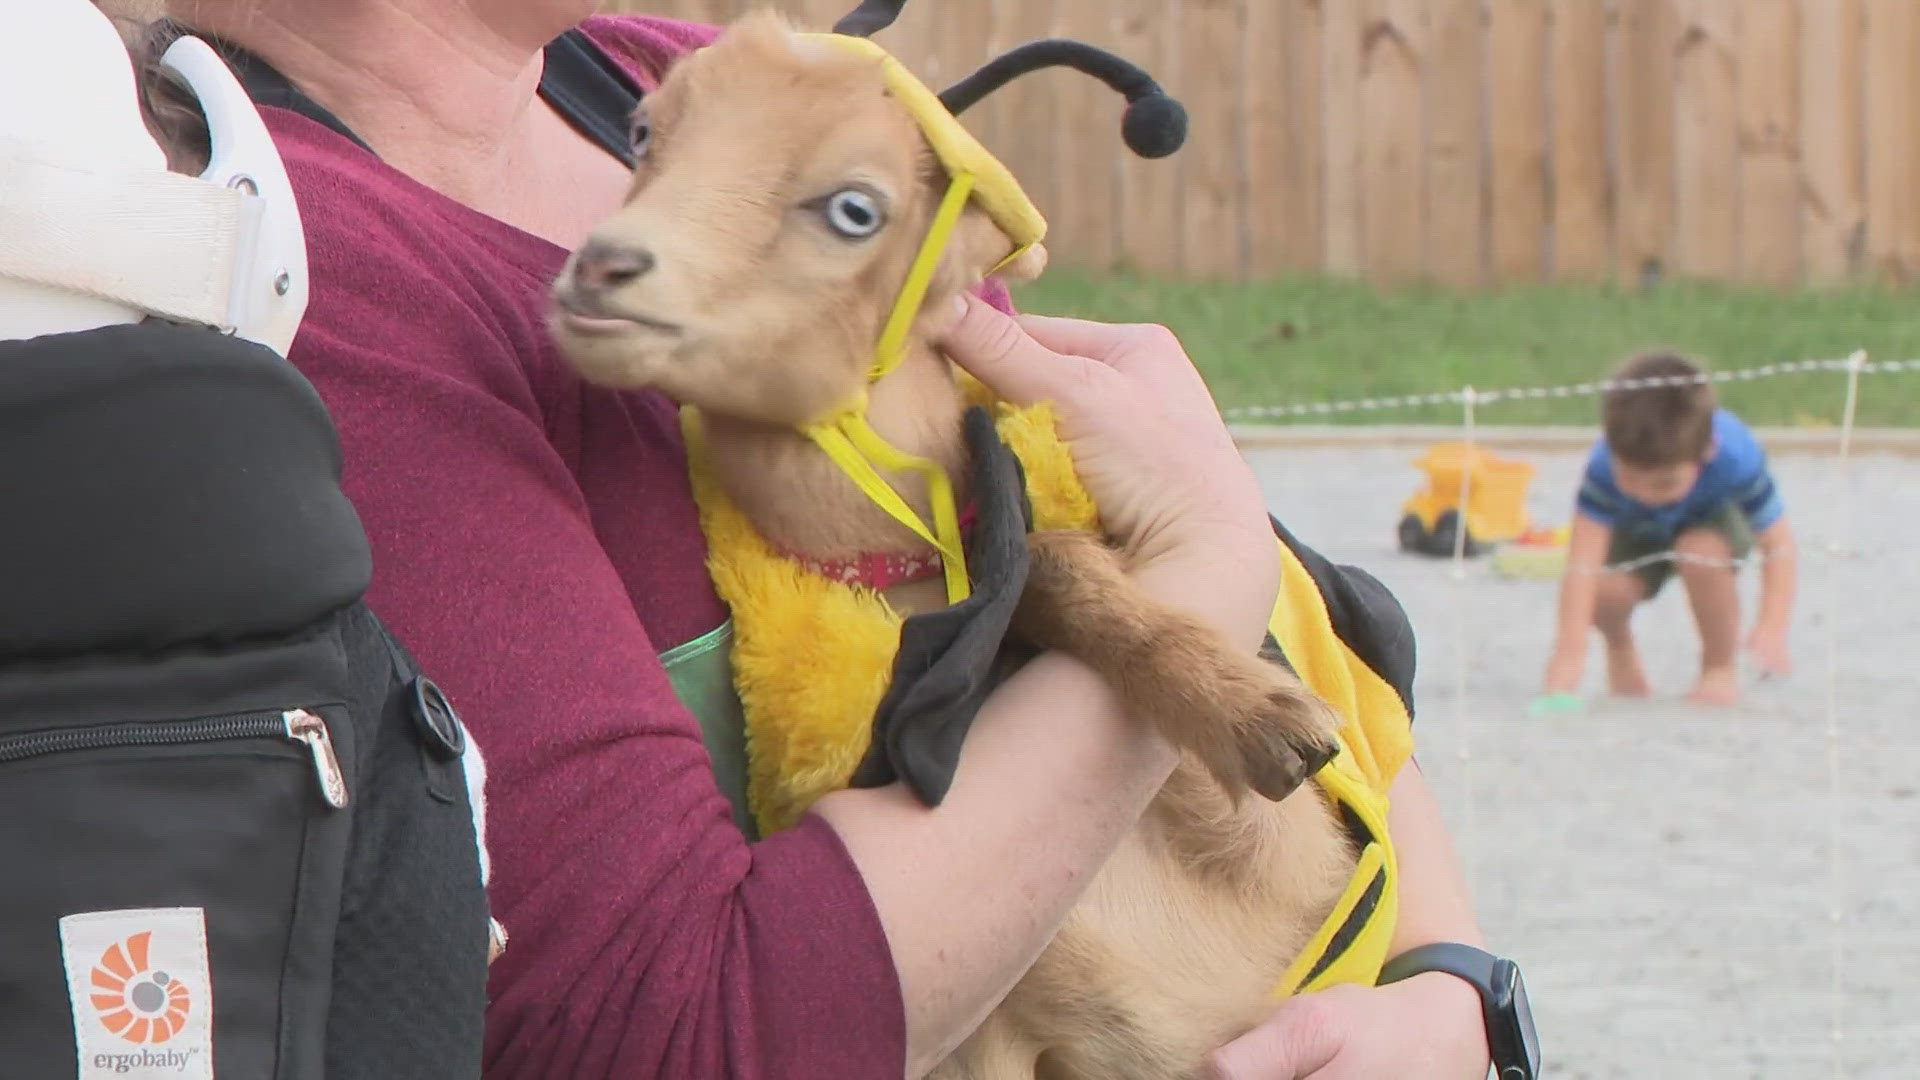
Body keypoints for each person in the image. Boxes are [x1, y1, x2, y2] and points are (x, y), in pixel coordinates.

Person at [139, 2, 1507, 1076]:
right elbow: (692, 1036)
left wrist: (1448, 985)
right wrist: (1194, 594)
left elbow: (1205, 559)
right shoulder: (300, 271)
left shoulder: (665, 87)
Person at [1542, 352, 1798, 709]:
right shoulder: (1602, 469)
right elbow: (1581, 566)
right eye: (1629, 478)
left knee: (1700, 552)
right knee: (1606, 590)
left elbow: (1778, 543)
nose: (1646, 494)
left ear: (1704, 455)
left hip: (1710, 523)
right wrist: (1567, 660)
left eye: (1664, 484)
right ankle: (1620, 648)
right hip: (1634, 530)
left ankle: (1718, 666)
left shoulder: (1735, 456)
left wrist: (1772, 627)